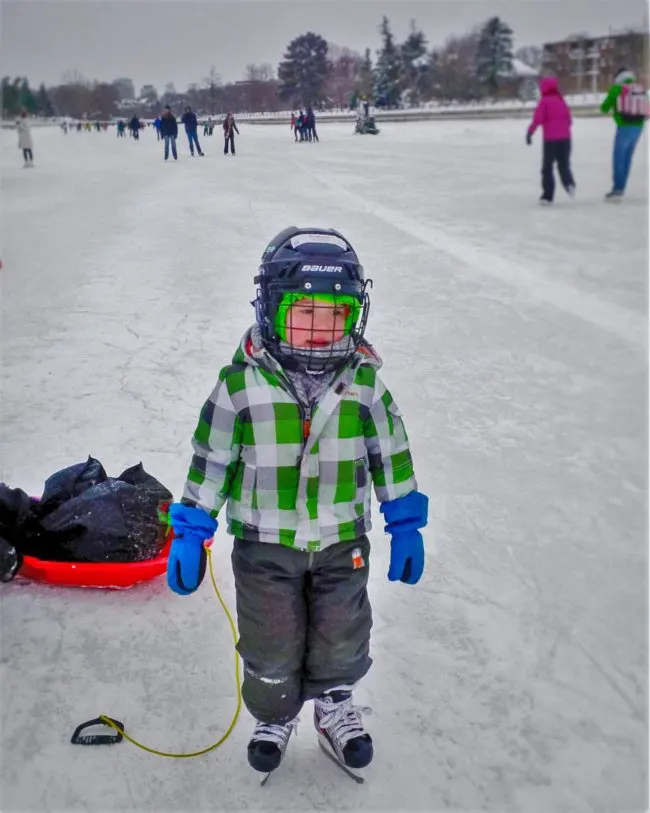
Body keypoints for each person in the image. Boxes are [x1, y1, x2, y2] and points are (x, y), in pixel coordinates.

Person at [166, 226, 428, 779]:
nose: (318, 329)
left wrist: (404, 520)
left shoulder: (365, 386)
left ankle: (335, 705)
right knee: (269, 637)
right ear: (271, 310)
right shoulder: (239, 387)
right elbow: (211, 460)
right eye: (303, 311)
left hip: (342, 540)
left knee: (343, 629)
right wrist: (191, 530)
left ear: (354, 315)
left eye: (335, 314)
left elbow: (392, 454)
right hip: (265, 544)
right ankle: (275, 714)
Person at [600, 67, 647, 201]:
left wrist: (615, 106)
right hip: (638, 127)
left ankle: (617, 189)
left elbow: (604, 108)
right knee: (627, 158)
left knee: (619, 158)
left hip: (624, 126)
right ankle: (621, 187)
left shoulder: (618, 88)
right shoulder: (640, 88)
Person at [526, 76, 575, 204]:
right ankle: (569, 184)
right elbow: (569, 120)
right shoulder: (561, 101)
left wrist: (530, 132)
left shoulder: (544, 102)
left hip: (551, 140)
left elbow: (538, 119)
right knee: (564, 165)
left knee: (547, 168)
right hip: (566, 139)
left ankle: (548, 196)